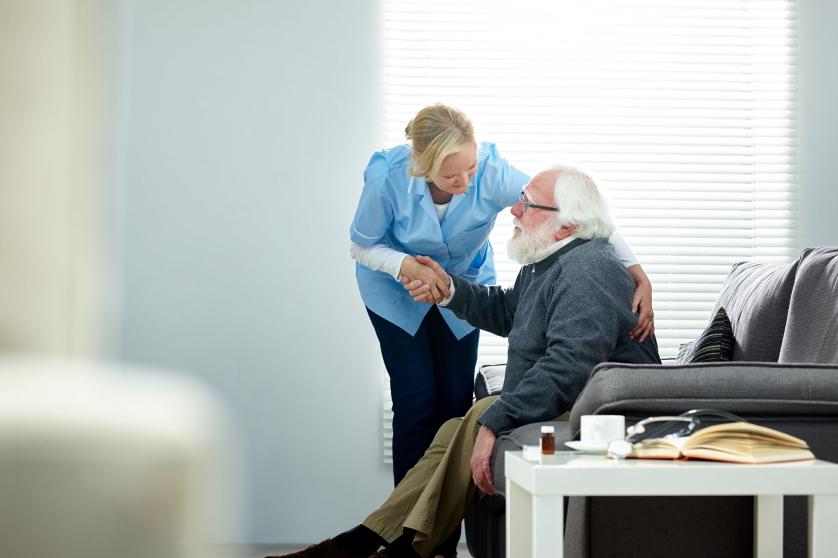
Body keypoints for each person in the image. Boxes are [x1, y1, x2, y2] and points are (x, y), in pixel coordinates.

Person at [279, 165, 662, 558]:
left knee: (479, 416)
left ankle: (382, 548)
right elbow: (507, 312)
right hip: (575, 399)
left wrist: (497, 421)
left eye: (527, 204)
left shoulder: (587, 270)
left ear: (566, 225)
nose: (514, 210)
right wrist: (446, 289)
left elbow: (569, 366)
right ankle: (370, 542)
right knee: (453, 430)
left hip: (600, 412)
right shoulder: (550, 261)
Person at [349, 103, 655, 490]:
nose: (465, 181)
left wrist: (636, 270)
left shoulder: (493, 175)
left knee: (453, 404)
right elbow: (362, 245)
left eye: (470, 169)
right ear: (423, 168)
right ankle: (404, 541)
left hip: (460, 285)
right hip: (393, 289)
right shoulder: (387, 178)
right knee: (415, 400)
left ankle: (436, 544)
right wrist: (404, 266)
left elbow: (575, 210)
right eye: (450, 175)